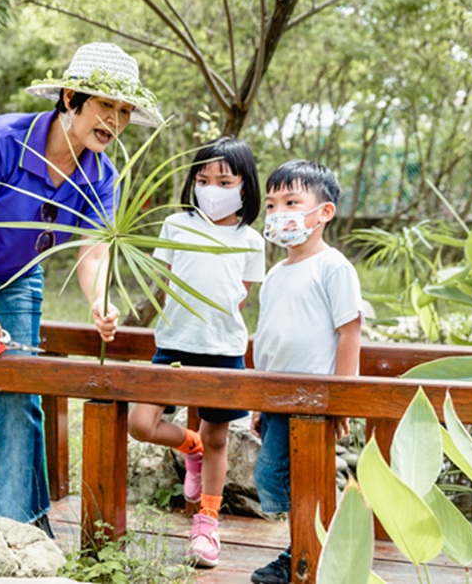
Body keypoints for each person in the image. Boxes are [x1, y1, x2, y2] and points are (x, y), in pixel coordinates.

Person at [0, 42, 163, 534]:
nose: (116, 120)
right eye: (106, 104)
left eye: (125, 110)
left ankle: (13, 528)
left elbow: (92, 251)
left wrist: (100, 301)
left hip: (17, 276)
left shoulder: (101, 175)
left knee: (23, 390)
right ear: (70, 98)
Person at [126, 137, 265, 568]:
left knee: (219, 437)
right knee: (140, 423)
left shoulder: (251, 239)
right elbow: (169, 280)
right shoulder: (176, 224)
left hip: (223, 349)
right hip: (173, 344)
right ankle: (192, 448)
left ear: (244, 186)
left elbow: (240, 295)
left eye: (224, 181)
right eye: (202, 180)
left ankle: (207, 522)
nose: (211, 189)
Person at [249, 159, 364, 584]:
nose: (278, 213)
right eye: (272, 205)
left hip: (313, 396)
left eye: (292, 202)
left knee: (294, 476)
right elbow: (268, 337)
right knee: (281, 475)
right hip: (275, 394)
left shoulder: (333, 267)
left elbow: (349, 331)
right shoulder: (275, 274)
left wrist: (342, 396)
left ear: (324, 212)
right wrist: (258, 399)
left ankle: (307, 552)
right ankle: (306, 547)